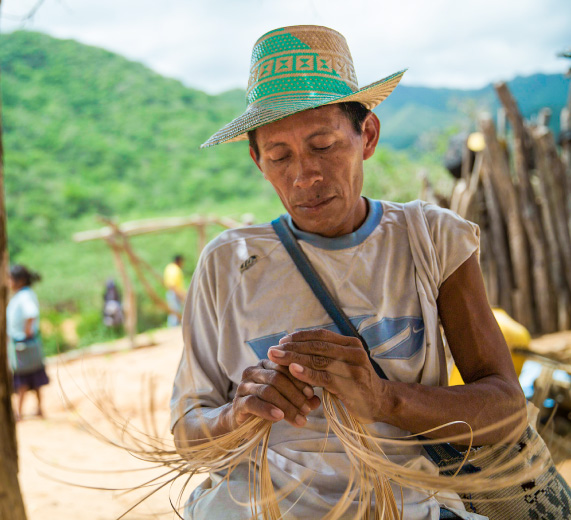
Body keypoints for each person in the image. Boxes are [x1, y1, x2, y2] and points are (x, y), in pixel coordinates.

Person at [170, 26, 526, 519]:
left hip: (406, 505)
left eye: (323, 145)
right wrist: (238, 411)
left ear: (368, 136)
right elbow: (188, 435)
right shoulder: (227, 263)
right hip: (259, 507)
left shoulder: (431, 239)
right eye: (279, 157)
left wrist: (385, 399)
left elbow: (506, 408)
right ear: (257, 160)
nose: (304, 175)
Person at [7, 264, 49, 420]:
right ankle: (39, 409)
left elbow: (31, 313)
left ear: (20, 280)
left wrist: (26, 332)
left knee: (22, 379)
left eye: (10, 279)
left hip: (24, 343)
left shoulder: (23, 296)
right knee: (34, 377)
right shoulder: (24, 294)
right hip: (28, 342)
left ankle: (18, 412)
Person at [163, 254, 186, 327]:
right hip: (175, 292)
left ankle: (174, 326)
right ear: (179, 261)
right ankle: (173, 327)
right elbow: (173, 285)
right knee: (175, 312)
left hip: (171, 292)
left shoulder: (169, 267)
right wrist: (180, 295)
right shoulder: (175, 269)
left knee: (174, 311)